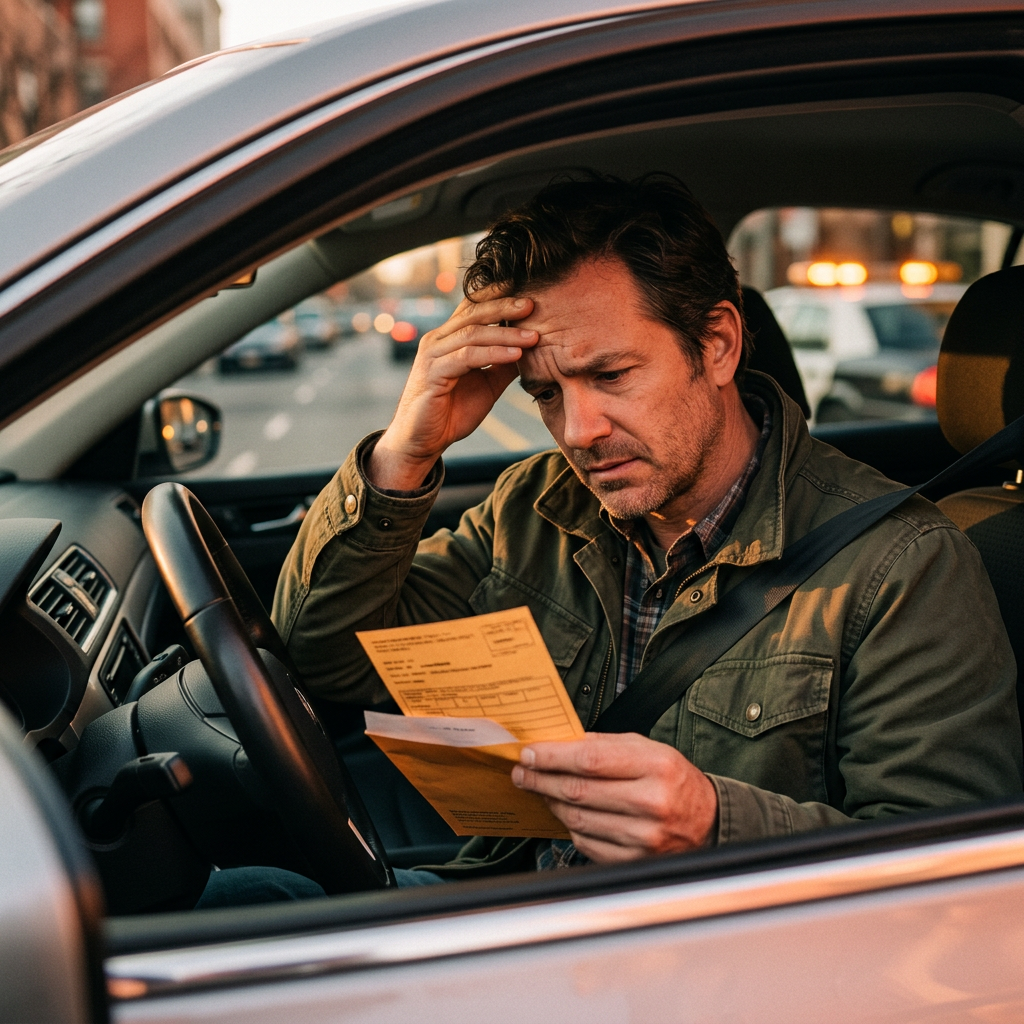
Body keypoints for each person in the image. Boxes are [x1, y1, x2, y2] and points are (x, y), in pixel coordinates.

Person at [272, 174, 1022, 879]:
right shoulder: (533, 507)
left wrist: (714, 826)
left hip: (709, 952)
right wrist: (406, 453)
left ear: (717, 344)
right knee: (257, 893)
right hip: (509, 901)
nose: (579, 430)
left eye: (611, 375)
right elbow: (325, 659)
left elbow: (951, 871)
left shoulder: (900, 565)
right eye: (545, 393)